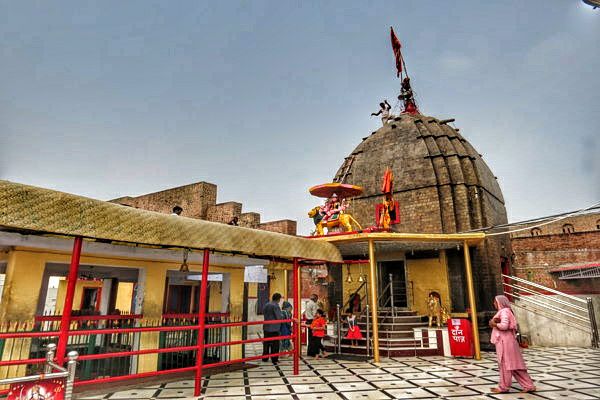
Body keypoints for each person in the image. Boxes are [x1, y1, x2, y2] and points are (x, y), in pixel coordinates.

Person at [489, 295, 536, 394]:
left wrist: (495, 324)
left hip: (505, 342)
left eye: (495, 302)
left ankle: (503, 387)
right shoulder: (505, 311)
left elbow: (504, 326)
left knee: (506, 365)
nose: (494, 304)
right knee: (514, 365)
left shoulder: (504, 311)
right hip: (508, 341)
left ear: (500, 302)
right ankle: (529, 386)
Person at [262, 292, 283, 364]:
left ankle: (265, 358)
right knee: (275, 344)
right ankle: (274, 359)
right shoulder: (276, 306)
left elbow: (263, 313)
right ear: (278, 299)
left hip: (266, 327)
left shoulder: (267, 304)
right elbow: (278, 317)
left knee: (266, 343)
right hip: (274, 328)